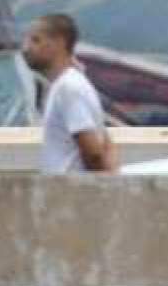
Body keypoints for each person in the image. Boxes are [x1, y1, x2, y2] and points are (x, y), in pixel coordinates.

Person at [24, 13, 113, 175]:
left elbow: (94, 153)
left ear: (59, 43)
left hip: (71, 192)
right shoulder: (71, 84)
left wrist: (101, 187)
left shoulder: (68, 88)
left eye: (36, 40)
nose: (27, 48)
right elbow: (106, 142)